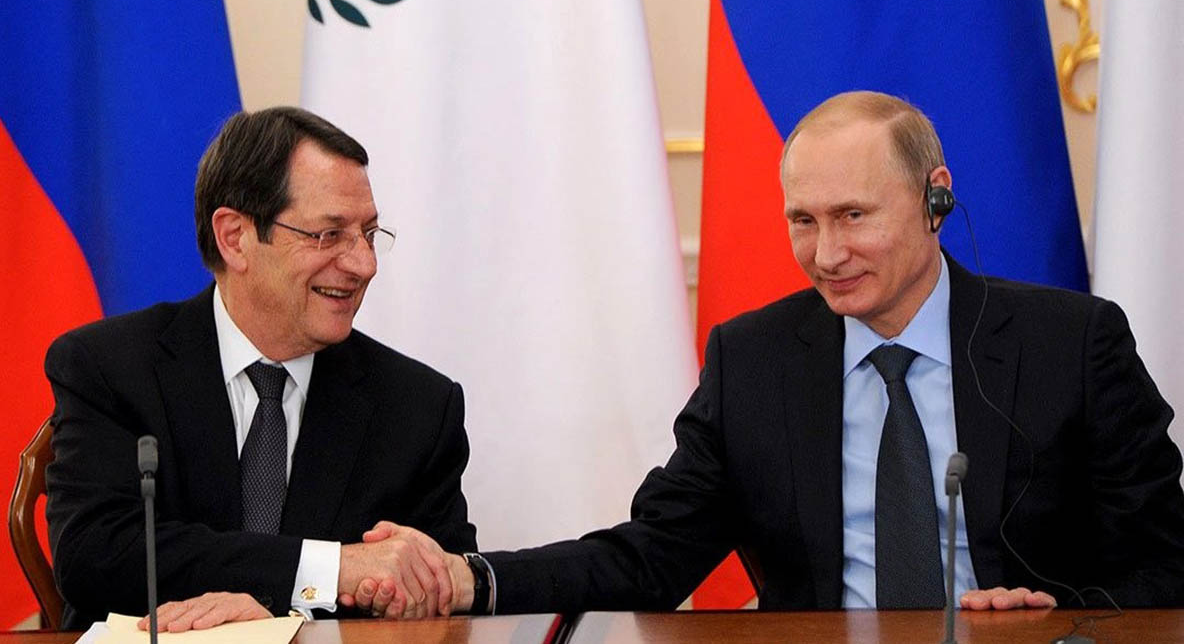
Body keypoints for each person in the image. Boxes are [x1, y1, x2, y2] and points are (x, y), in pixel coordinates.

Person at [363, 90, 1184, 616]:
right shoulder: (754, 360)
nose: (827, 253)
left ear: (936, 198)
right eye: (804, 220)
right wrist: (474, 578)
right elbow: (652, 556)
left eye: (854, 215)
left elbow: (1164, 561)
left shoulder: (1071, 343)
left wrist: (1062, 617)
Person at [44, 107, 475, 631]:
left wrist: (283, 609)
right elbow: (97, 556)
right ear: (235, 237)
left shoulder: (417, 409)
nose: (365, 264)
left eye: (368, 233)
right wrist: (329, 571)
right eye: (329, 235)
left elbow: (439, 598)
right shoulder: (110, 368)